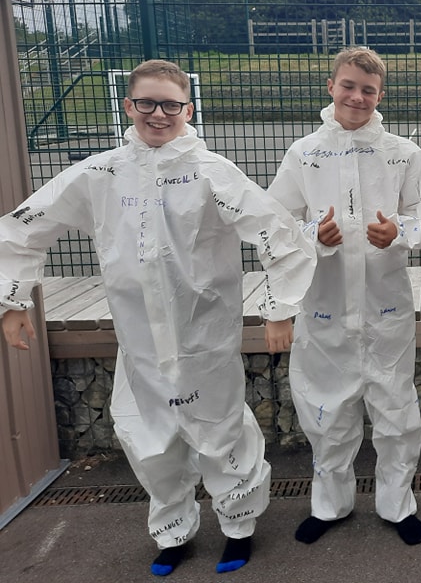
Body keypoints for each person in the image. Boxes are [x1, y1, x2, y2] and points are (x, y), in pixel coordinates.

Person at [0, 60, 316, 576]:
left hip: (205, 339)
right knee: (149, 440)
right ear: (128, 106)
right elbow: (24, 227)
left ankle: (237, 528)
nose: (158, 114)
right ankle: (173, 533)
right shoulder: (100, 173)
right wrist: (13, 302)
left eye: (171, 104)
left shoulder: (212, 172)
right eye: (146, 102)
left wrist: (279, 310)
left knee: (220, 433)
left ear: (188, 109)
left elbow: (279, 235)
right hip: (140, 342)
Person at [268, 47, 421, 546]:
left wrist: (399, 233)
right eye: (349, 86)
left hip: (386, 307)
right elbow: (275, 225)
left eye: (368, 89)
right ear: (331, 86)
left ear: (380, 95)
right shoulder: (304, 154)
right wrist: (313, 237)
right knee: (327, 412)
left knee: (395, 409)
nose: (357, 97)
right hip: (324, 309)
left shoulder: (404, 154)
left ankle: (397, 503)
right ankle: (329, 505)